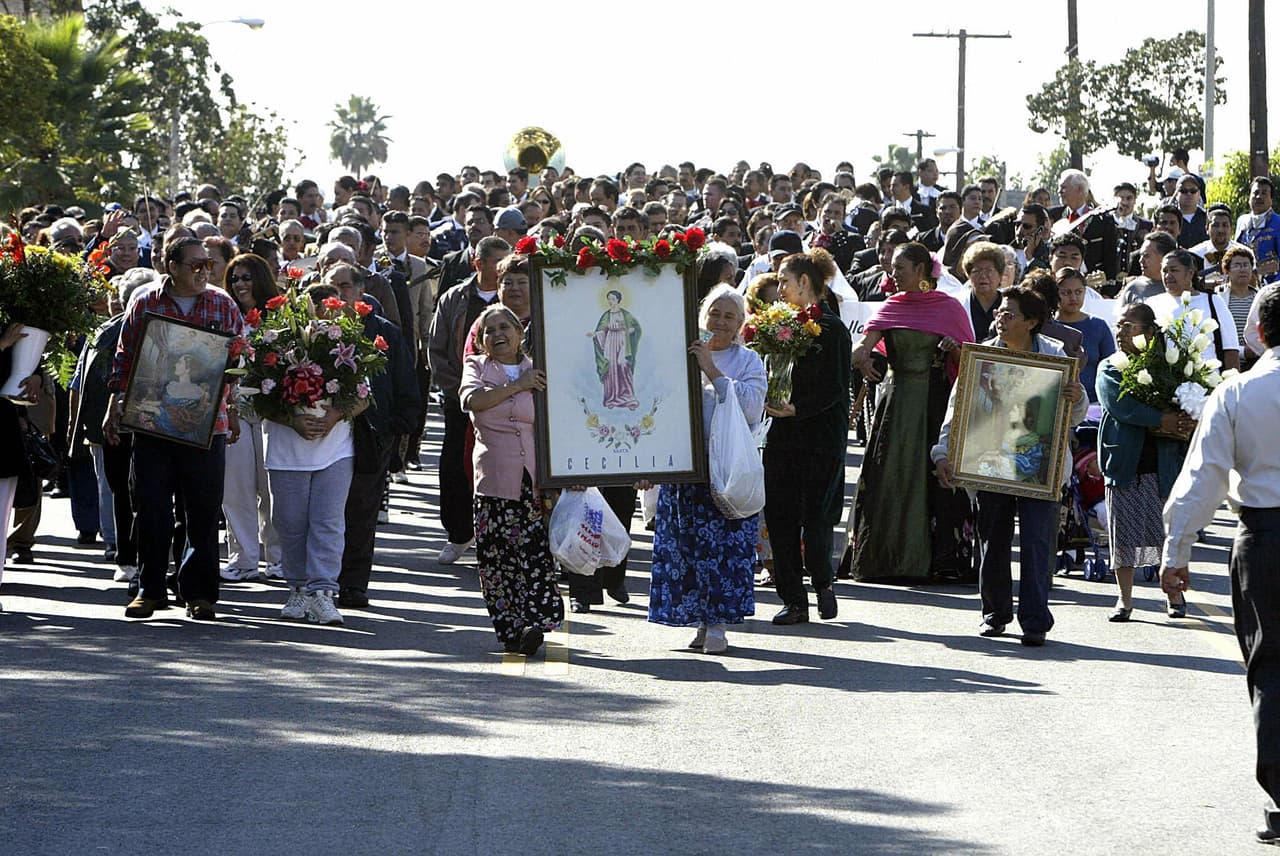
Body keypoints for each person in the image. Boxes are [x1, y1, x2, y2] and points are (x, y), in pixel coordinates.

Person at [1160, 286, 1280, 847]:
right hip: (1260, 532)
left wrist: (1176, 550)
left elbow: (1203, 476)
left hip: (1265, 539)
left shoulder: (1238, 392)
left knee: (1272, 667)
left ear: (1258, 333)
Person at [933, 286, 1088, 646]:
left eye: (1009, 314)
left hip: (1040, 468)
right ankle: (995, 612)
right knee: (993, 539)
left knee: (1037, 541)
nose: (1000, 319)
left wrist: (1076, 398)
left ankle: (1035, 621)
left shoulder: (1056, 360)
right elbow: (957, 412)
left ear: (1032, 322)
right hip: (990, 464)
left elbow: (1073, 415)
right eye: (999, 313)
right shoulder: (982, 357)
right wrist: (942, 453)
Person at [105, 236, 244, 621]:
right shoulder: (145, 301)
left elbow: (239, 361)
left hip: (206, 427)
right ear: (172, 266)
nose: (205, 272)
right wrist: (116, 403)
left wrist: (231, 408)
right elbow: (125, 357)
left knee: (200, 511)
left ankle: (199, 593)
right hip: (151, 424)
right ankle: (149, 590)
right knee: (150, 508)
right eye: (195, 265)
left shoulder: (223, 304)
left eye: (208, 265)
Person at [648, 285, 766, 653]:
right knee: (687, 548)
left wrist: (712, 372)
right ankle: (698, 621)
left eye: (729, 316)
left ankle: (717, 625)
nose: (720, 321)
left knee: (722, 549)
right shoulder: (679, 354)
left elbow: (750, 409)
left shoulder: (748, 361)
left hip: (725, 470)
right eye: (715, 313)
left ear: (740, 324)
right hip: (684, 467)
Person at [849, 242, 975, 582]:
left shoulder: (949, 308)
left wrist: (955, 351)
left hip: (934, 403)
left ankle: (942, 561)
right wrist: (861, 356)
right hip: (895, 403)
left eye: (899, 267)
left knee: (931, 475)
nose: (892, 274)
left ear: (921, 270)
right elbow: (864, 343)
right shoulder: (892, 305)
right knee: (887, 475)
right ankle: (882, 559)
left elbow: (971, 363)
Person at [264, 273, 369, 627]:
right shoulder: (277, 347)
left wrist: (335, 414)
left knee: (327, 522)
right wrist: (291, 419)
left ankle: (323, 592)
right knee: (290, 523)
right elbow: (260, 398)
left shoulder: (349, 348)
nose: (322, 319)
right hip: (286, 452)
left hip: (334, 451)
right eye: (315, 311)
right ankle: (297, 589)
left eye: (329, 312)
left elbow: (363, 397)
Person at [459, 304, 562, 656]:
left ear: (520, 333)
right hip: (494, 479)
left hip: (532, 479)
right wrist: (517, 385)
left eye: (506, 327)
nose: (499, 334)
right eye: (490, 330)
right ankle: (512, 630)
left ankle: (534, 622)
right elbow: (472, 400)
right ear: (483, 340)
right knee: (497, 560)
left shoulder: (539, 368)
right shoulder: (477, 367)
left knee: (533, 555)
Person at [764, 248, 852, 625]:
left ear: (804, 282)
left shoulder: (831, 329)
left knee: (815, 517)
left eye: (785, 281)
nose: (780, 288)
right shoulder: (776, 323)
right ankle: (793, 599)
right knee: (780, 516)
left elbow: (836, 387)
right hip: (782, 434)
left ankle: (822, 582)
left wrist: (798, 407)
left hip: (819, 435)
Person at [1095, 302, 1194, 622]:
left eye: (1129, 326)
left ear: (1150, 333)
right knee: (1122, 534)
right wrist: (1162, 418)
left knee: (1170, 533)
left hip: (1164, 462)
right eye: (1119, 326)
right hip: (1126, 462)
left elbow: (1186, 396)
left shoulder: (1169, 365)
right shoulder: (1110, 366)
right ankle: (1124, 600)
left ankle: (1174, 595)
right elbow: (1121, 406)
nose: (1121, 333)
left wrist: (1182, 420)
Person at [427, 235, 511, 563]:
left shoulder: (515, 298)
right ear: (478, 263)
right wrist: (459, 391)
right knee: (454, 468)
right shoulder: (454, 298)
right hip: (461, 401)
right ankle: (459, 533)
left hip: (506, 403)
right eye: (496, 262)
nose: (504, 270)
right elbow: (437, 348)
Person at [220, 253, 284, 582]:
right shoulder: (224, 317)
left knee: (272, 490)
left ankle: (278, 559)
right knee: (236, 490)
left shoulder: (280, 318)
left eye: (246, 277)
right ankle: (243, 558)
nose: (240, 284)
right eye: (234, 279)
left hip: (272, 415)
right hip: (233, 413)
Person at [1145, 249, 1241, 372]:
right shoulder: (1152, 303)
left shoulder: (1213, 301)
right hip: (1167, 382)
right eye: (1164, 271)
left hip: (1208, 380)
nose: (1168, 276)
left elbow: (1230, 349)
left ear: (1190, 273)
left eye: (1174, 270)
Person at [1053, 267, 1115, 401]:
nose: (1073, 298)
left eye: (1078, 292)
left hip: (1093, 403)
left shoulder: (1098, 326)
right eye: (1066, 293)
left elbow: (1110, 368)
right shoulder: (1047, 326)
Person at [589, 289, 642, 411]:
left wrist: (631, 330)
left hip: (624, 341)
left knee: (623, 364)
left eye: (612, 299)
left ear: (618, 300)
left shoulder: (626, 314)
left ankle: (629, 397)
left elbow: (636, 327)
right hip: (610, 342)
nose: (610, 301)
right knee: (611, 367)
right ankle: (611, 399)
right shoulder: (606, 315)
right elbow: (601, 330)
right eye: (609, 299)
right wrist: (595, 334)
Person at [1219, 245, 1260, 368]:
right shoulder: (1218, 298)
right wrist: (1242, 352)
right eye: (1237, 265)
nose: (1243, 270)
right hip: (1227, 364)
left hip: (1258, 363)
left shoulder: (1260, 297)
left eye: (1246, 265)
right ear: (1227, 271)